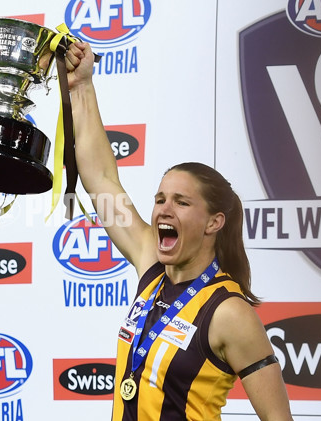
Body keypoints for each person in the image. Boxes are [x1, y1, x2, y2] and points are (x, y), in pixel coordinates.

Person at [64, 41, 294, 420]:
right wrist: (82, 86)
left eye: (181, 203)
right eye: (159, 199)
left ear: (214, 222)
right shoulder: (150, 267)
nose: (163, 210)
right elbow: (101, 180)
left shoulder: (229, 311)